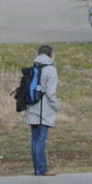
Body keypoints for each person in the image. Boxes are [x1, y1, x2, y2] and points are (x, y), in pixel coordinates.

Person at [26, 45, 59, 176]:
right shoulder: (51, 70)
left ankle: (37, 168)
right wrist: (56, 106)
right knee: (41, 139)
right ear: (50, 55)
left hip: (31, 107)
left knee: (35, 139)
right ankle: (42, 169)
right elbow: (51, 92)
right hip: (44, 109)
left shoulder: (34, 67)